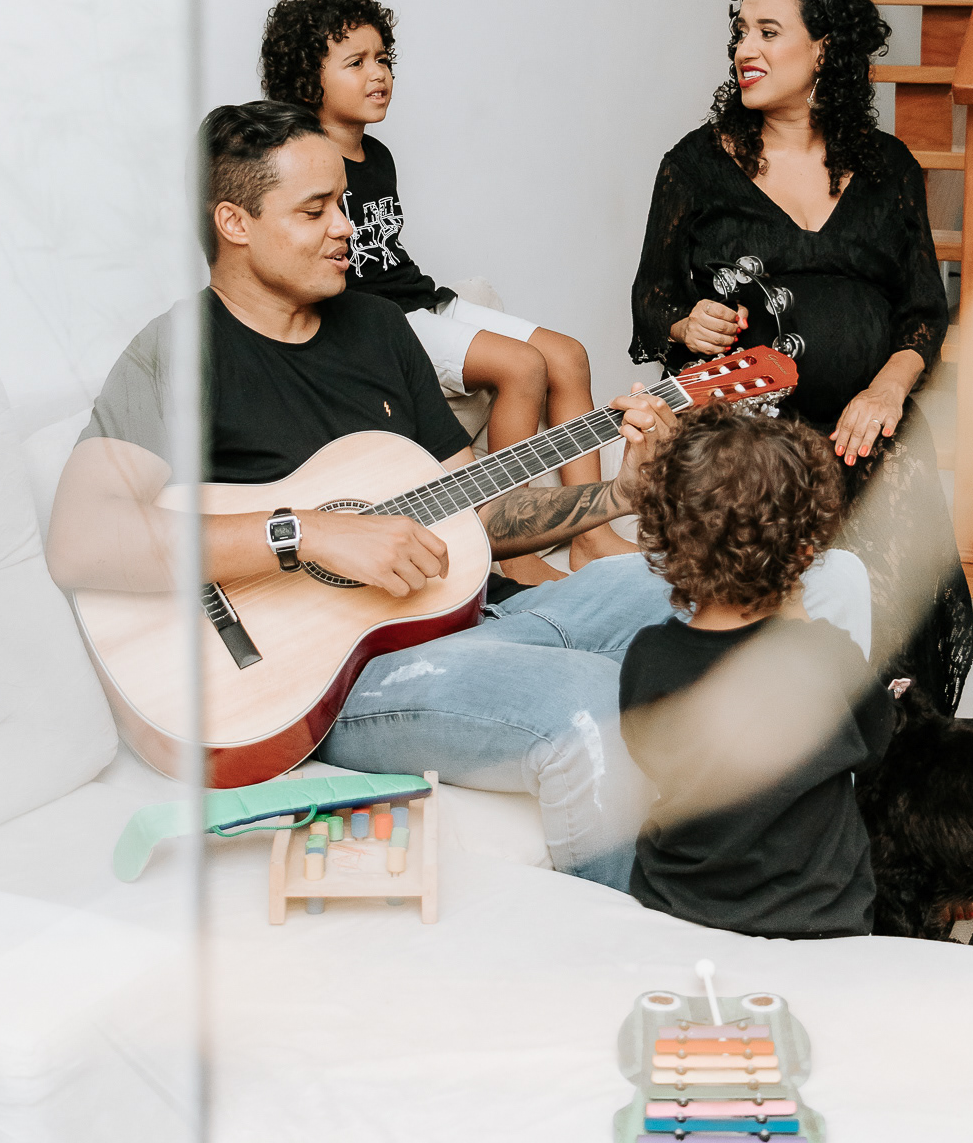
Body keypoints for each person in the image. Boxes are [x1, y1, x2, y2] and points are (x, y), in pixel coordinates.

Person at [46, 100, 871, 889]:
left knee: (821, 578)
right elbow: (83, 539)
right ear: (235, 222)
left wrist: (616, 496)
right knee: (587, 704)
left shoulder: (376, 328)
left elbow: (472, 513)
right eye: (315, 210)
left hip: (491, 614)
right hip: (342, 681)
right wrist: (307, 533)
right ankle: (645, 955)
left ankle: (821, 882)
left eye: (343, 203)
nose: (347, 228)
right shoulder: (178, 354)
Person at [629, 0, 973, 714]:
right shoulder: (695, 165)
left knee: (891, 623)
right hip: (747, 438)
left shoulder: (887, 167)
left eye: (766, 31)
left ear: (822, 49)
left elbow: (924, 310)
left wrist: (885, 393)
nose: (743, 49)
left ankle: (887, 741)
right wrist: (688, 321)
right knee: (770, 626)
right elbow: (652, 301)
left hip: (863, 428)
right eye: (739, 32)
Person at [259, 0, 629, 579]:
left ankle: (592, 534)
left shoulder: (378, 155)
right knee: (522, 367)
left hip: (423, 300)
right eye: (356, 62)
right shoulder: (304, 165)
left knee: (568, 354)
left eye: (383, 59)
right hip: (380, 320)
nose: (378, 74)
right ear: (308, 80)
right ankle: (512, 551)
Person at [620, 405, 893, 938]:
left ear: (669, 541)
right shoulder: (826, 656)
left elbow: (647, 754)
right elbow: (877, 743)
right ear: (804, 553)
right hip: (815, 917)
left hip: (675, 905)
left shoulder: (648, 654)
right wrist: (805, 622)